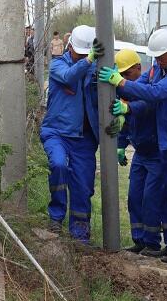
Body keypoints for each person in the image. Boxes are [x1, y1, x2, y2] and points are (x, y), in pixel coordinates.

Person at [99, 29, 167, 266]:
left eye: (160, 56)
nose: (156, 60)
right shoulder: (158, 69)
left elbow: (155, 93)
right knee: (166, 193)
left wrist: (121, 81)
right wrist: (120, 92)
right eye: (154, 57)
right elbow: (141, 91)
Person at [40, 25, 104, 243]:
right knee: (58, 165)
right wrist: (88, 62)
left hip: (84, 139)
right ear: (70, 47)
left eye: (87, 55)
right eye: (80, 53)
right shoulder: (59, 64)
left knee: (83, 185)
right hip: (57, 132)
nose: (83, 57)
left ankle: (79, 235)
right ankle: (55, 218)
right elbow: (68, 77)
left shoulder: (94, 68)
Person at [112, 49, 164, 255]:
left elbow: (144, 106)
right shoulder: (125, 90)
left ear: (138, 68)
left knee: (150, 198)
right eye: (121, 75)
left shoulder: (147, 85)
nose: (124, 78)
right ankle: (139, 240)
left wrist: (128, 108)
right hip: (141, 153)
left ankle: (152, 242)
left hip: (156, 153)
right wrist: (120, 144)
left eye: (127, 74)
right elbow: (126, 122)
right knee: (134, 196)